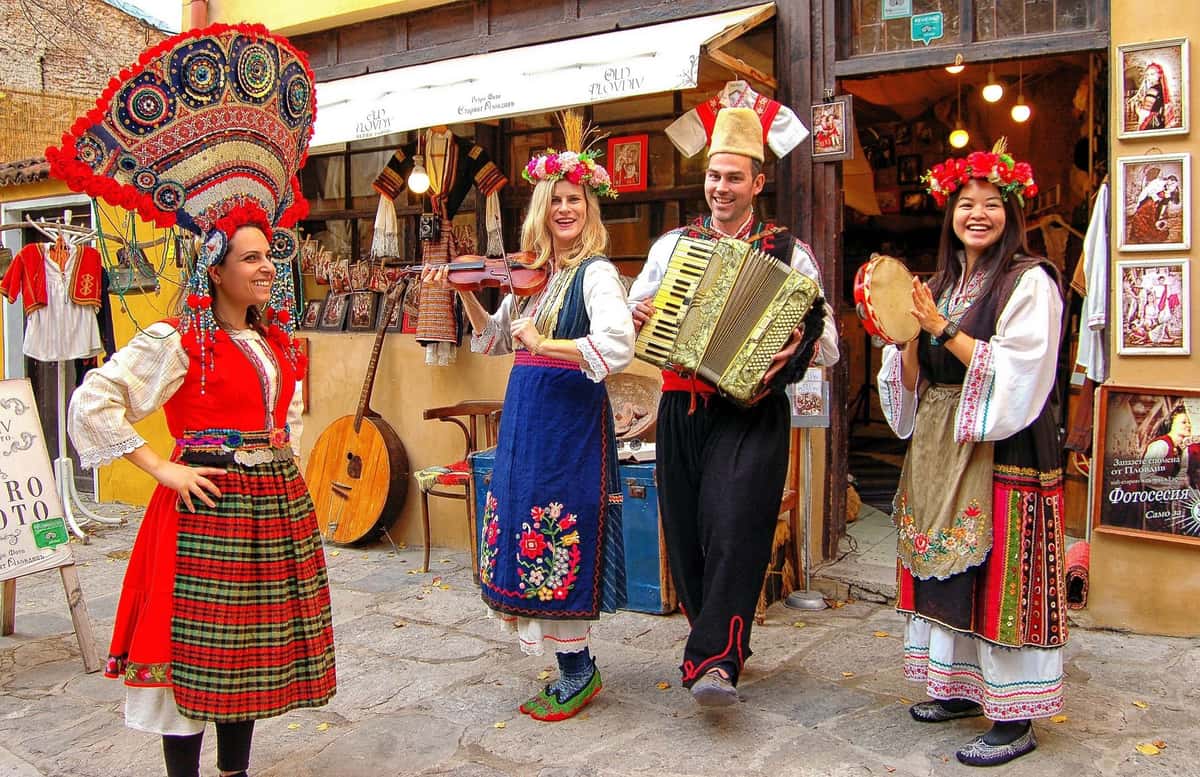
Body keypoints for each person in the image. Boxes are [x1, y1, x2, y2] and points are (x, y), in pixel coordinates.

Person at [54, 23, 335, 777]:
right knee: (190, 663)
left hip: (266, 501)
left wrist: (287, 465)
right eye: (253, 258)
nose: (269, 266)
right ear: (217, 270)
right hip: (205, 506)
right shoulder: (181, 340)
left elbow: (288, 413)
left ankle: (236, 773)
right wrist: (162, 467)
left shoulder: (272, 339)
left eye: (270, 253)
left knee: (242, 655)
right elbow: (94, 401)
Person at [423, 112, 634, 722]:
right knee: (524, 526)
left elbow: (616, 346)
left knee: (559, 528)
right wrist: (462, 287)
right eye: (554, 200)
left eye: (574, 199)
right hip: (525, 420)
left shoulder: (595, 274)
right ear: (540, 210)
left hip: (568, 424)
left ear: (587, 210)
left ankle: (579, 668)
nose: (564, 209)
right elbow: (491, 341)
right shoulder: (531, 277)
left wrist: (546, 344)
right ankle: (569, 667)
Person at [628, 107, 839, 707]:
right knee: (689, 534)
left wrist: (792, 349)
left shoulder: (790, 254)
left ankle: (714, 662)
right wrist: (638, 314)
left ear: (757, 184)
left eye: (734, 178)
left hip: (751, 412)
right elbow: (631, 322)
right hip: (680, 406)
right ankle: (716, 643)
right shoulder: (673, 247)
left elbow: (826, 345)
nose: (721, 188)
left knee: (736, 527)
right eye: (714, 176)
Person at [880, 143, 1064, 766]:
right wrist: (901, 338)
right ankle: (959, 687)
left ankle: (1016, 714)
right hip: (940, 439)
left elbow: (1020, 370)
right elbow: (911, 376)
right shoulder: (937, 284)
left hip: (1002, 443)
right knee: (952, 572)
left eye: (991, 204)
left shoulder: (1029, 280)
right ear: (950, 213)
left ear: (1012, 214)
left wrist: (940, 330)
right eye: (966, 203)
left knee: (1002, 576)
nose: (977, 214)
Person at [1140, 405, 1194, 534]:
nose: (1188, 425)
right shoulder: (1161, 445)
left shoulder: (1181, 449)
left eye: (1189, 422)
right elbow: (1145, 477)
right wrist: (1174, 484)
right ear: (1171, 424)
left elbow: (1182, 478)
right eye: (1183, 422)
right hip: (1152, 506)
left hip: (1168, 508)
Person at [1128, 62, 1177, 132]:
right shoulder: (1162, 89)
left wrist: (1138, 110)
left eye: (1152, 74)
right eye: (1147, 75)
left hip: (1150, 124)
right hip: (1160, 122)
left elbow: (1145, 112)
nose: (1149, 77)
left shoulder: (1152, 90)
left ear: (1159, 75)